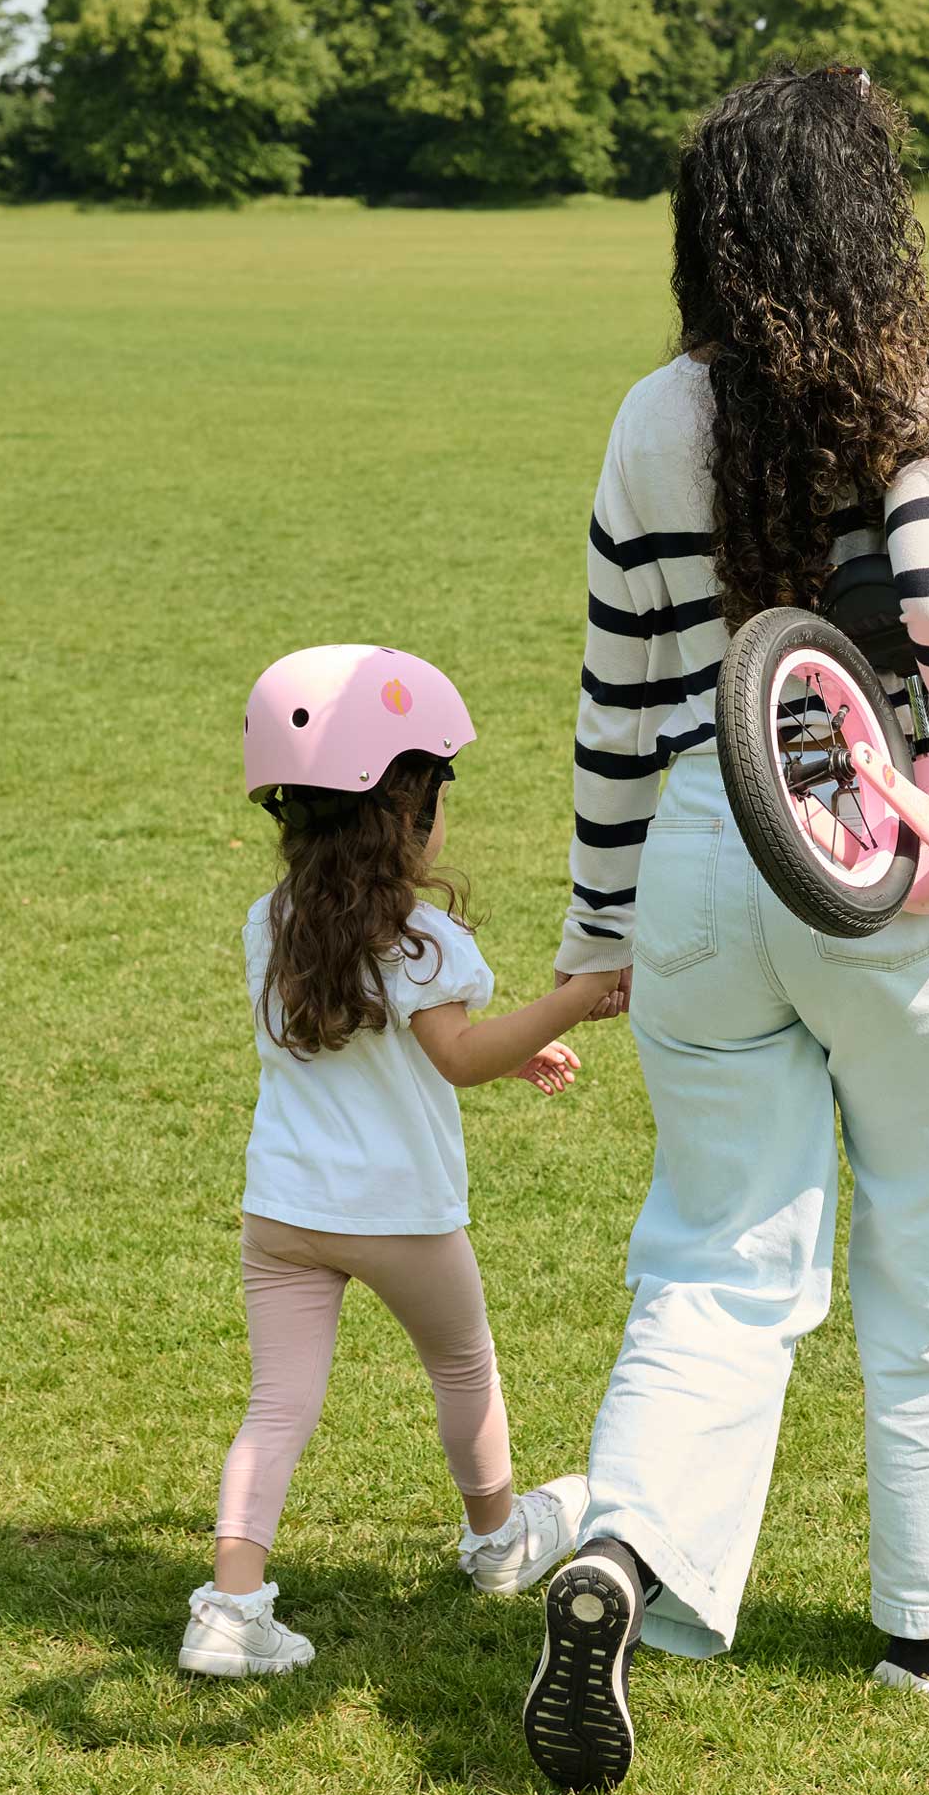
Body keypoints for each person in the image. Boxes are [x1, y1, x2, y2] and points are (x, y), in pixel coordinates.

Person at [522, 66, 929, 1787]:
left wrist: (594, 936)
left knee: (716, 1248)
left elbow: (618, 699)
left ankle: (626, 1551)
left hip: (696, 849)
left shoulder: (650, 415)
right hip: (878, 850)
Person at [180, 644, 619, 1678]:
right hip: (404, 1219)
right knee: (463, 1367)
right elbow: (455, 1056)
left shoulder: (270, 924)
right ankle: (499, 1542)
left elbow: (391, 1045)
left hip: (284, 1210)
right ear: (408, 808)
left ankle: (228, 1613)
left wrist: (514, 1057)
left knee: (277, 1404)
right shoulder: (423, 942)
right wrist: (574, 998)